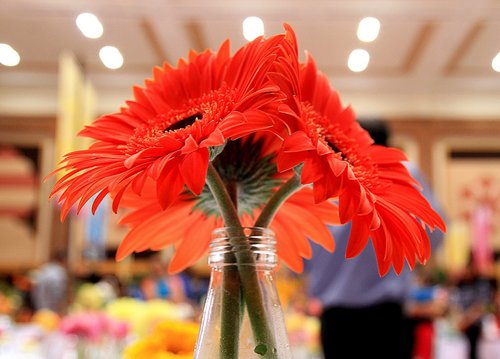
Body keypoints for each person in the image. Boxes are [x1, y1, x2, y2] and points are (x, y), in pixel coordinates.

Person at [305, 119, 445, 359]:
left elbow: (303, 251)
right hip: (387, 318)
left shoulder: (321, 178)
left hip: (336, 320)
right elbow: (434, 234)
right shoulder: (403, 172)